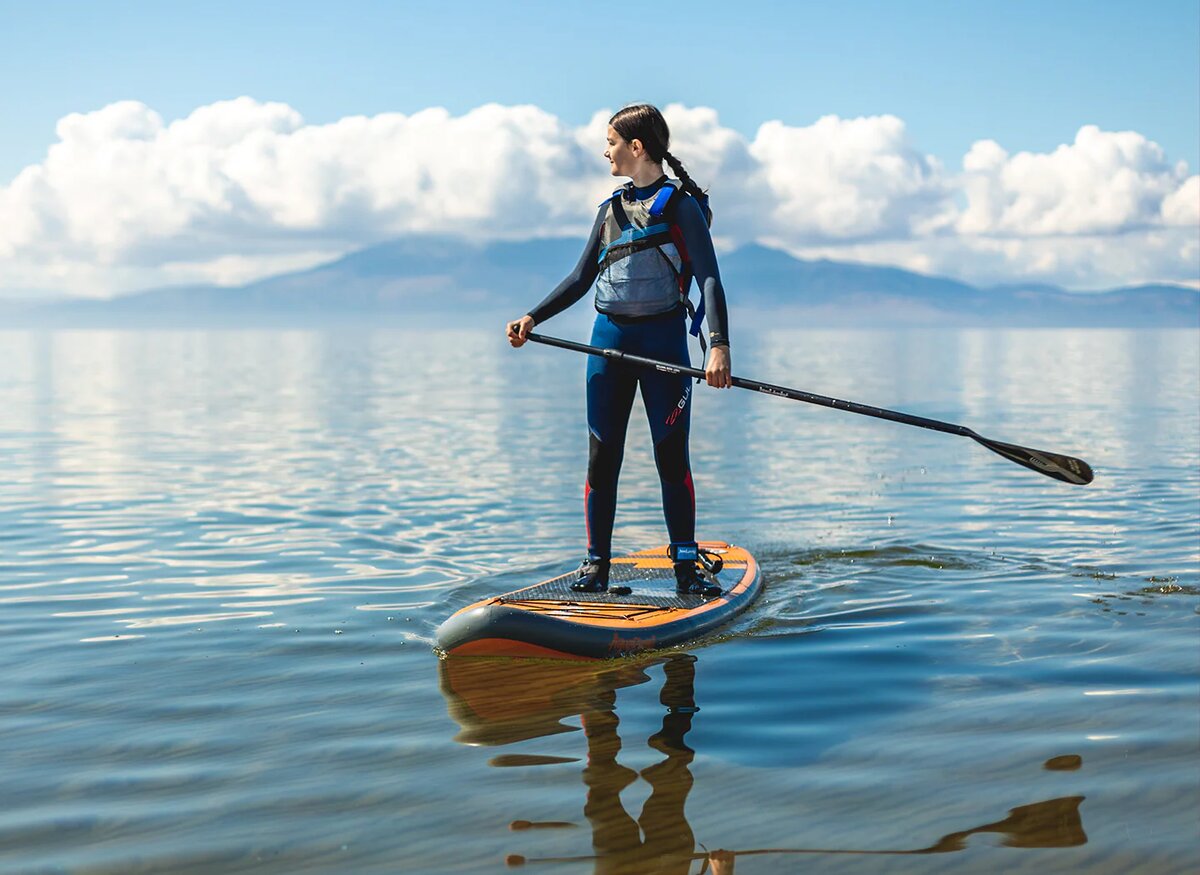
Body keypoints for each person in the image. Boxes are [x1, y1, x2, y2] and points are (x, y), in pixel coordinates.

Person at [507, 103, 732, 597]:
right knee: (600, 458)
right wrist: (533, 317)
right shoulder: (609, 210)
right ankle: (596, 567)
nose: (604, 150)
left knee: (670, 458)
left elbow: (711, 276)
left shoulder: (681, 207)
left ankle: (687, 567)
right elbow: (581, 278)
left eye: (610, 141)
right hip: (607, 344)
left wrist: (718, 347)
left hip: (664, 346)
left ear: (636, 147)